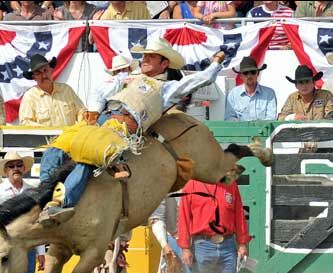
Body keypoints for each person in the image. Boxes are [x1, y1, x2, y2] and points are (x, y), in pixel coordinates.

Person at [38, 38, 225, 226]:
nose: (144, 59)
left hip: (123, 127)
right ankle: (43, 194)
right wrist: (94, 110)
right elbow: (100, 91)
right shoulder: (128, 77)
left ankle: (61, 204)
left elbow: (202, 79)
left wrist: (216, 62)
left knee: (90, 156)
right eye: (144, 55)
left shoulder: (168, 88)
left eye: (151, 57)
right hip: (101, 119)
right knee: (56, 146)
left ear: (164, 64)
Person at [19, 54, 85, 127]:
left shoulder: (67, 90)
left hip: (71, 137)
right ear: (34, 77)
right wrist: (46, 131)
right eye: (38, 73)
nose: (44, 75)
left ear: (51, 70)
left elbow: (81, 112)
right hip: (45, 138)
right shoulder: (30, 97)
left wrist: (84, 121)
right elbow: (25, 122)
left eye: (45, 70)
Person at [225, 56, 277, 121]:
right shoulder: (233, 94)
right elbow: (229, 118)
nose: (249, 76)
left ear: (257, 73)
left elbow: (271, 119)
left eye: (252, 72)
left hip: (263, 131)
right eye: (245, 73)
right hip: (240, 131)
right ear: (241, 76)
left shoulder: (269, 93)